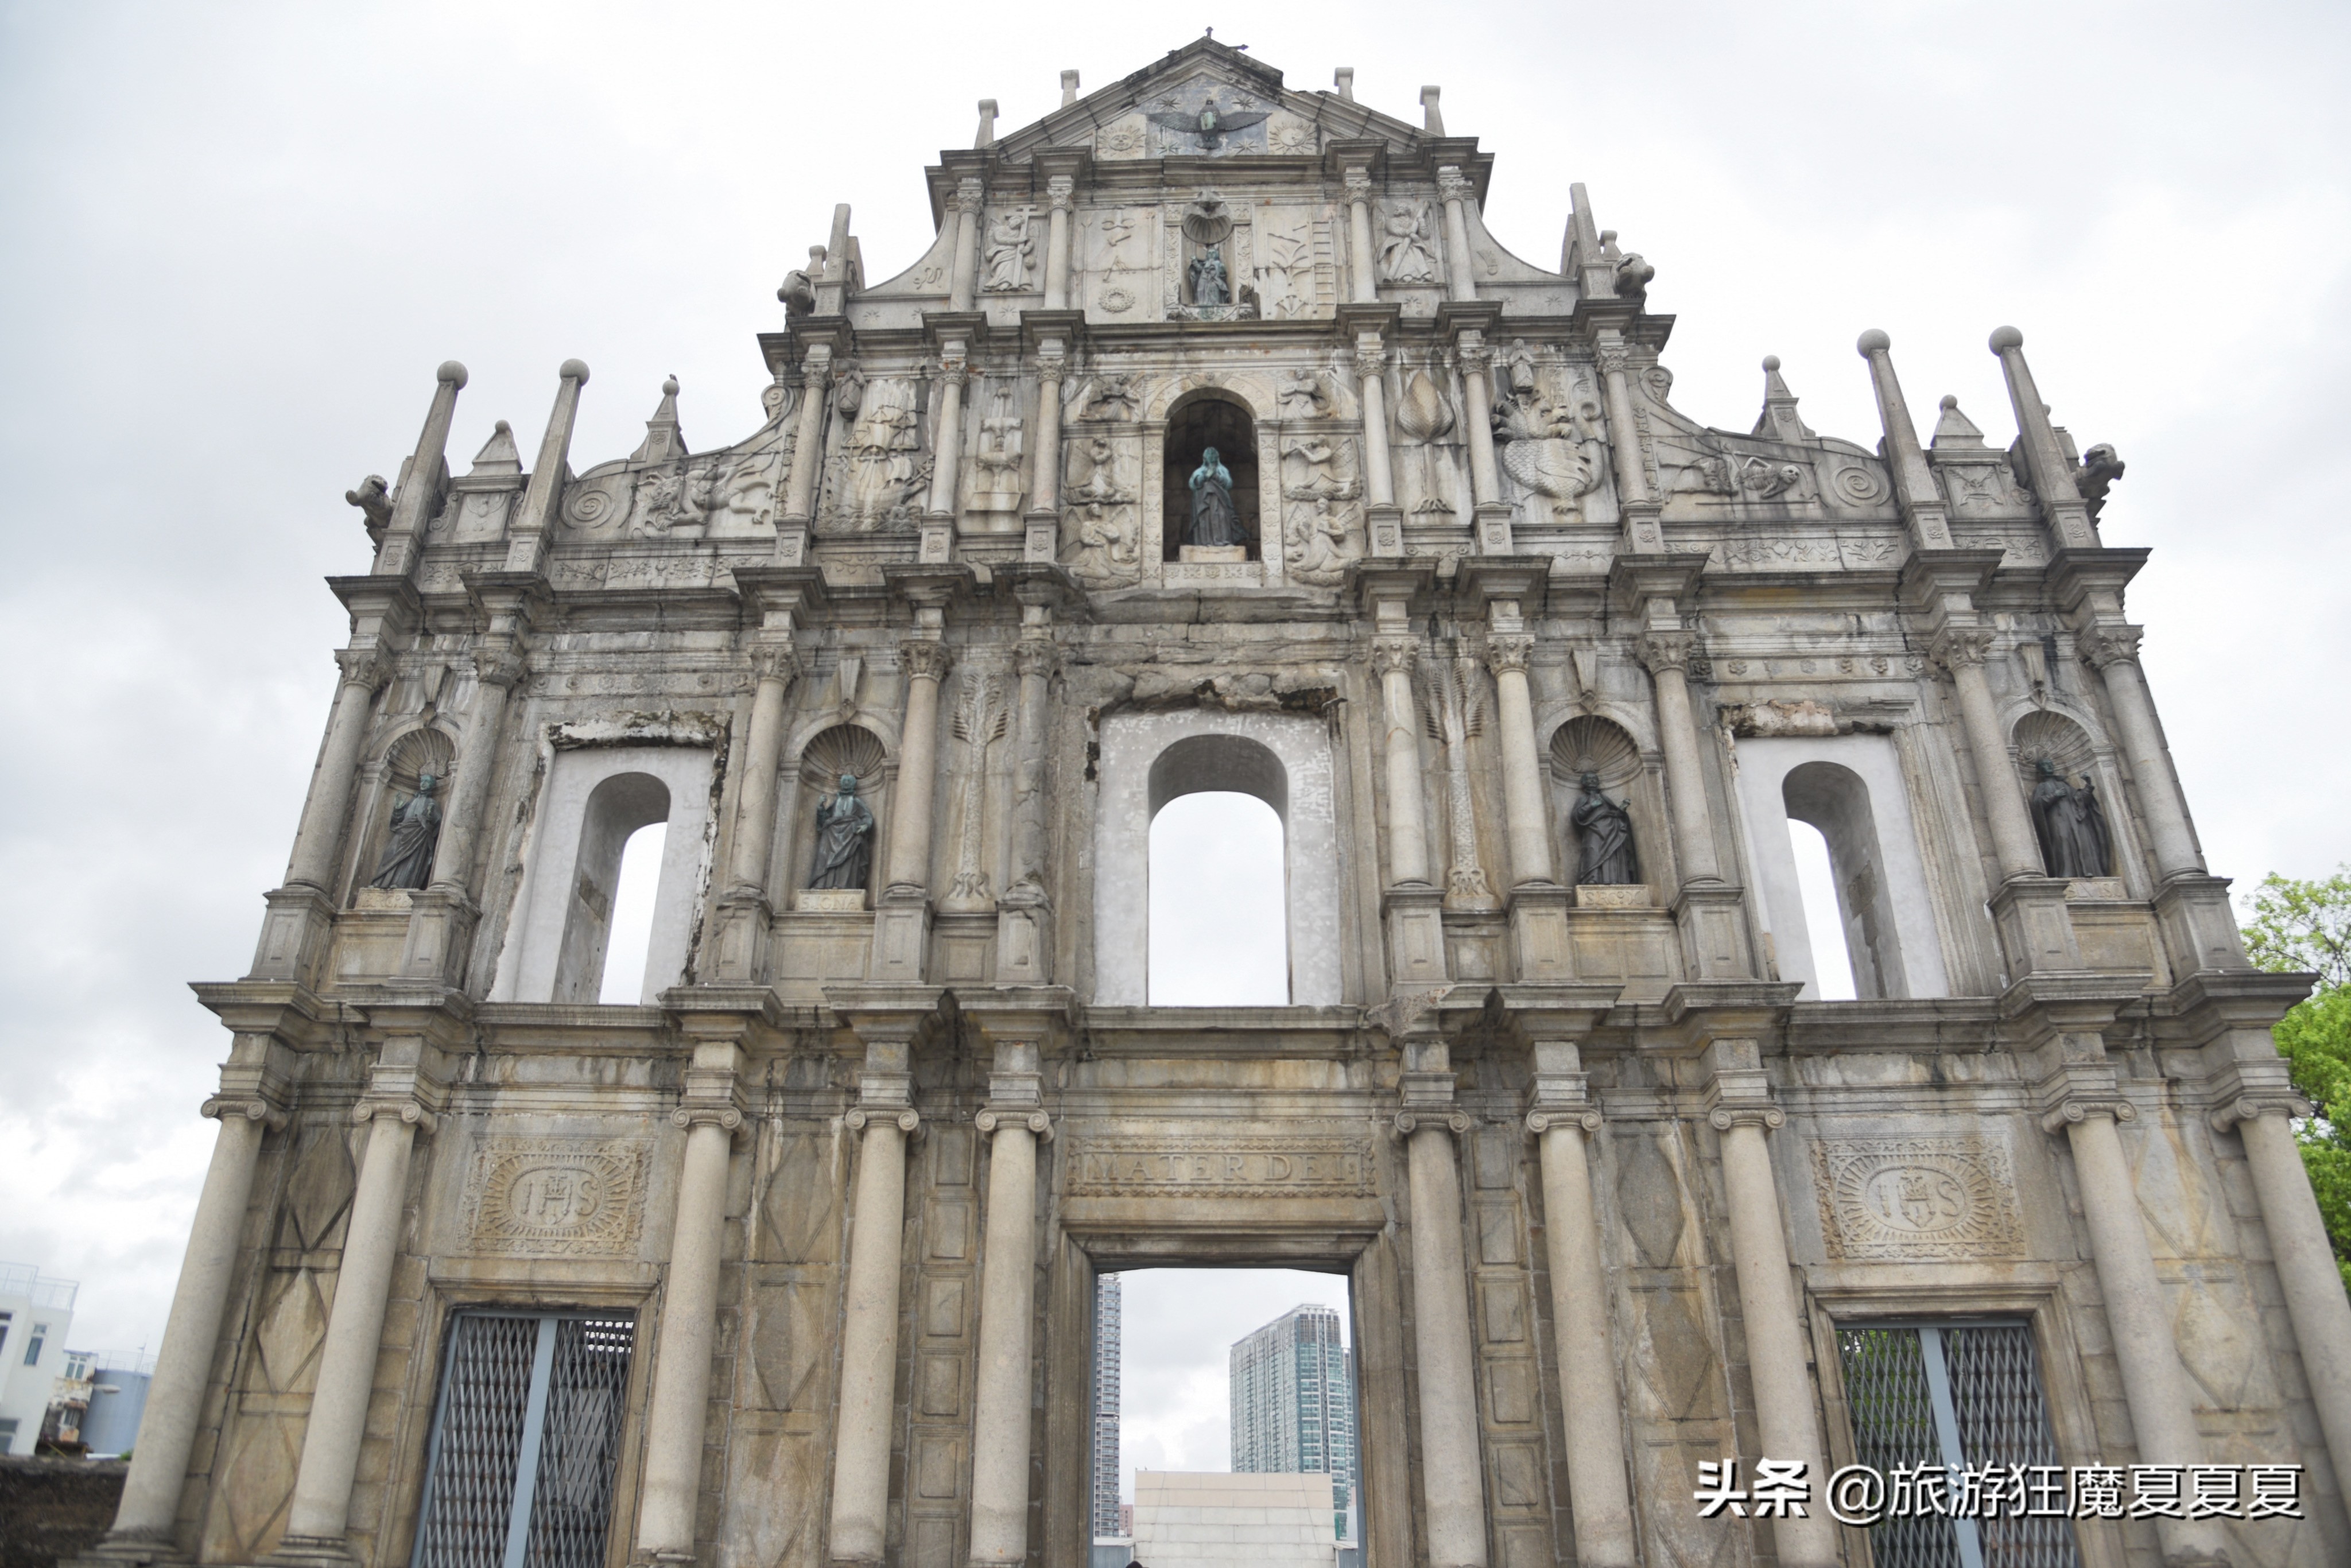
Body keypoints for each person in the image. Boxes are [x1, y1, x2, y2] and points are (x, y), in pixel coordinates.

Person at [2028, 756, 2111, 878]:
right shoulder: (2042, 787)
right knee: (2063, 842)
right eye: (2046, 765)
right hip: (2057, 820)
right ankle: (2066, 874)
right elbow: (2037, 805)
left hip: (2075, 819)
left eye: (2051, 764)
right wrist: (2054, 796)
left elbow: (2080, 799)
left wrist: (2088, 785)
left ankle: (2088, 871)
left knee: (2083, 843)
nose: (2050, 766)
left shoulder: (2064, 785)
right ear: (2040, 770)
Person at [368, 773, 443, 890]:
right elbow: (398, 820)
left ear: (432, 786)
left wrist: (430, 815)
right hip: (403, 832)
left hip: (419, 835)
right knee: (391, 854)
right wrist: (398, 809)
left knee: (409, 862)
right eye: (422, 781)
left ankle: (400, 885)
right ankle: (381, 883)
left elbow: (437, 823)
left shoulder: (432, 803)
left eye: (427, 782)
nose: (423, 784)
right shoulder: (411, 801)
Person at [808, 772, 876, 889]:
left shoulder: (856, 802)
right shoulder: (836, 802)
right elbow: (824, 820)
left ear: (853, 785)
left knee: (852, 851)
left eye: (849, 782)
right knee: (826, 856)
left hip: (850, 834)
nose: (846, 784)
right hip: (832, 833)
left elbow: (867, 816)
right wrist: (820, 807)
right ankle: (823, 883)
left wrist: (865, 826)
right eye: (844, 781)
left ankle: (843, 885)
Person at [1570, 772, 1638, 885]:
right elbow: (1577, 816)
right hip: (1593, 831)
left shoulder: (1605, 799)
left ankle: (1613, 880)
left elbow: (1614, 814)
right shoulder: (1583, 799)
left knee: (1611, 855)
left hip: (1611, 831)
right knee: (1593, 851)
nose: (1592, 781)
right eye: (1589, 779)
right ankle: (1592, 879)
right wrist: (1591, 806)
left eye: (1594, 779)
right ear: (1583, 783)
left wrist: (1621, 810)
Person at [1186, 447, 1244, 548]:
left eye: (1214, 455)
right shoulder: (1199, 471)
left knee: (1222, 516)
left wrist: (1216, 476)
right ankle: (1204, 542)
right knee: (1205, 518)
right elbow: (1193, 484)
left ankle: (1224, 541)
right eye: (1209, 455)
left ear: (1217, 458)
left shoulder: (1222, 470)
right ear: (1205, 458)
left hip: (1220, 499)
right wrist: (1204, 477)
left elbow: (1228, 484)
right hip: (1203, 501)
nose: (1211, 457)